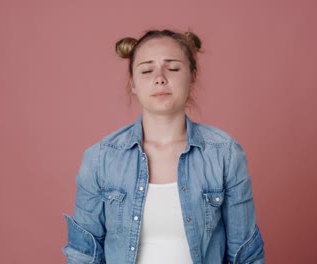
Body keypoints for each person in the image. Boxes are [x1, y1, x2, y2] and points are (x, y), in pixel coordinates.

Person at [62, 29, 265, 264]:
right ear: (133, 84)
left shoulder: (225, 154)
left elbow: (246, 255)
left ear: (192, 76)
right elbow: (83, 254)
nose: (160, 77)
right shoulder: (100, 158)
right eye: (147, 70)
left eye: (173, 68)